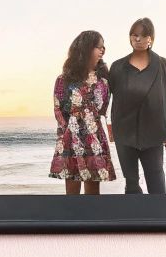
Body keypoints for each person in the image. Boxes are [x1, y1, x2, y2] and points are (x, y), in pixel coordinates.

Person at [107, 17, 166, 194]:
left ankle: (160, 220)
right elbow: (105, 98)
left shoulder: (162, 64)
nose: (138, 39)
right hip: (124, 133)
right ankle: (133, 220)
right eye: (134, 35)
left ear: (151, 39)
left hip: (154, 134)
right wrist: (109, 127)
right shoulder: (117, 67)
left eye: (143, 35)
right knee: (131, 183)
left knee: (156, 183)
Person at [50, 30, 117, 194]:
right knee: (72, 195)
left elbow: (105, 109)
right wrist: (66, 135)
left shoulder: (104, 80)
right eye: (98, 47)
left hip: (94, 136)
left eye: (103, 47)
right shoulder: (64, 79)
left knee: (93, 195)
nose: (102, 50)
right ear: (86, 49)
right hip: (71, 137)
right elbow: (59, 109)